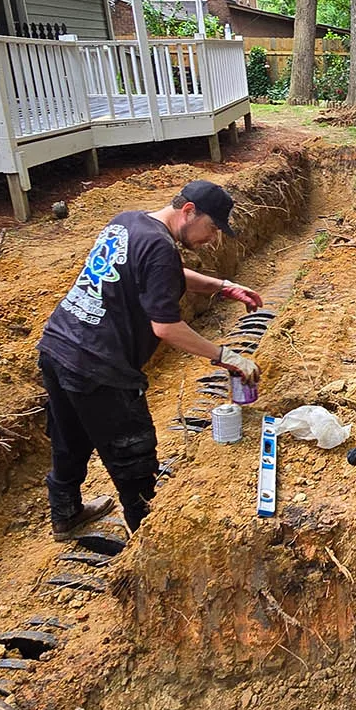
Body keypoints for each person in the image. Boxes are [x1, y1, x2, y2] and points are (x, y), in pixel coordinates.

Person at [38, 179, 262, 537]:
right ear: (189, 211)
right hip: (100, 365)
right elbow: (166, 327)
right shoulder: (160, 246)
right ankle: (146, 537)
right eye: (212, 227)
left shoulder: (127, 222)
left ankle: (66, 514)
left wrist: (222, 286)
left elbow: (158, 273)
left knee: (70, 438)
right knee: (133, 456)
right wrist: (225, 355)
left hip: (58, 346)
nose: (214, 238)